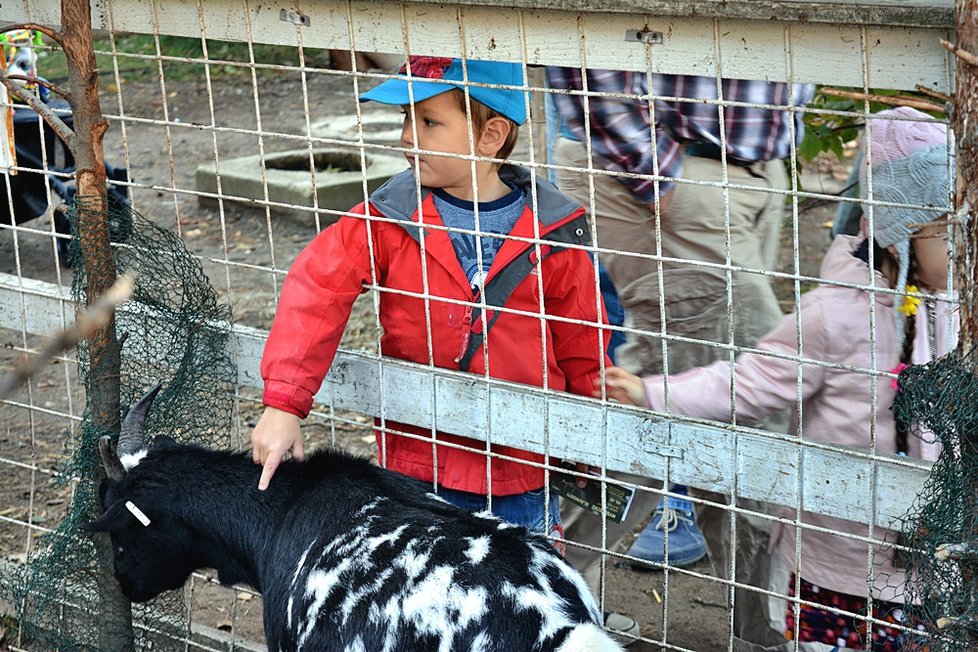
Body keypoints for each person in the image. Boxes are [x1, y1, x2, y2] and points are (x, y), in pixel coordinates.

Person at [597, 106, 956, 650]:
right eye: (944, 231)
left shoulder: (954, 306)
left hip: (935, 560)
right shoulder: (834, 315)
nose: (962, 247)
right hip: (837, 564)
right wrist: (654, 390)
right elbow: (752, 381)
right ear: (898, 232)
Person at [250, 53, 612, 579]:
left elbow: (580, 336)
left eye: (428, 122)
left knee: (520, 598)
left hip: (522, 470)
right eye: (405, 120)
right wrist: (284, 402)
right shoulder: (388, 216)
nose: (404, 137)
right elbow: (317, 289)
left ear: (491, 136)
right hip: (418, 469)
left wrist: (589, 426)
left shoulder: (556, 230)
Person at [546, 65, 814, 646]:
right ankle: (764, 635)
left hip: (738, 170)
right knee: (750, 412)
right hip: (675, 178)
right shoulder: (671, 182)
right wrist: (661, 182)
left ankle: (551, 602)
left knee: (671, 391)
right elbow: (584, 59)